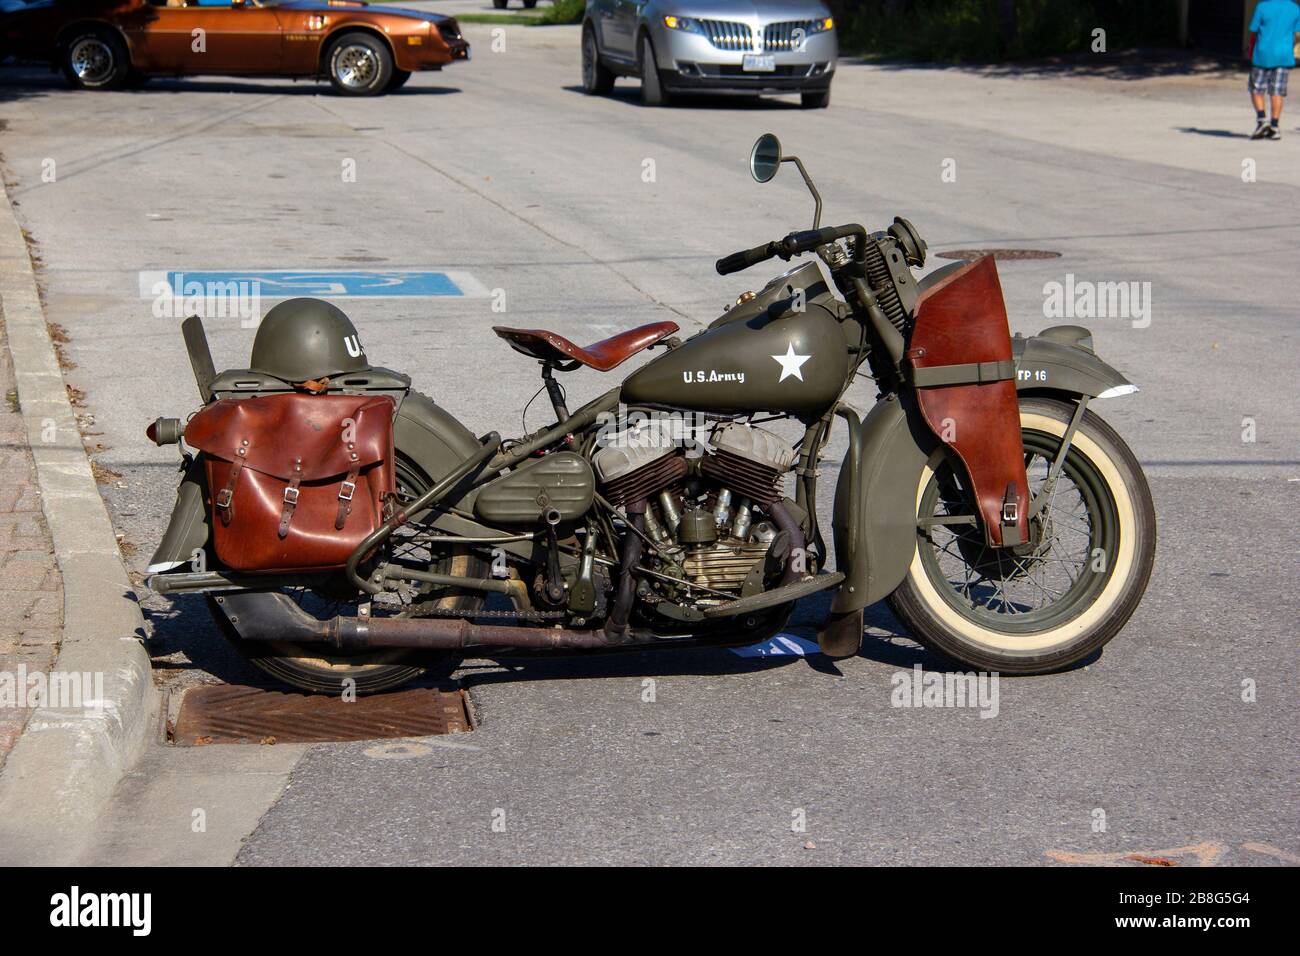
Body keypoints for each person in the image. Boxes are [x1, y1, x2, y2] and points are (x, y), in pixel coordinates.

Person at [1248, 0, 1300, 139]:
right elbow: (1297, 34)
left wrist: (1250, 50)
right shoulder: (1294, 8)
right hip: (1284, 56)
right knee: (1277, 91)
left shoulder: (1262, 7)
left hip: (1262, 54)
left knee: (1256, 89)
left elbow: (1253, 31)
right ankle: (1274, 126)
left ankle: (1261, 121)